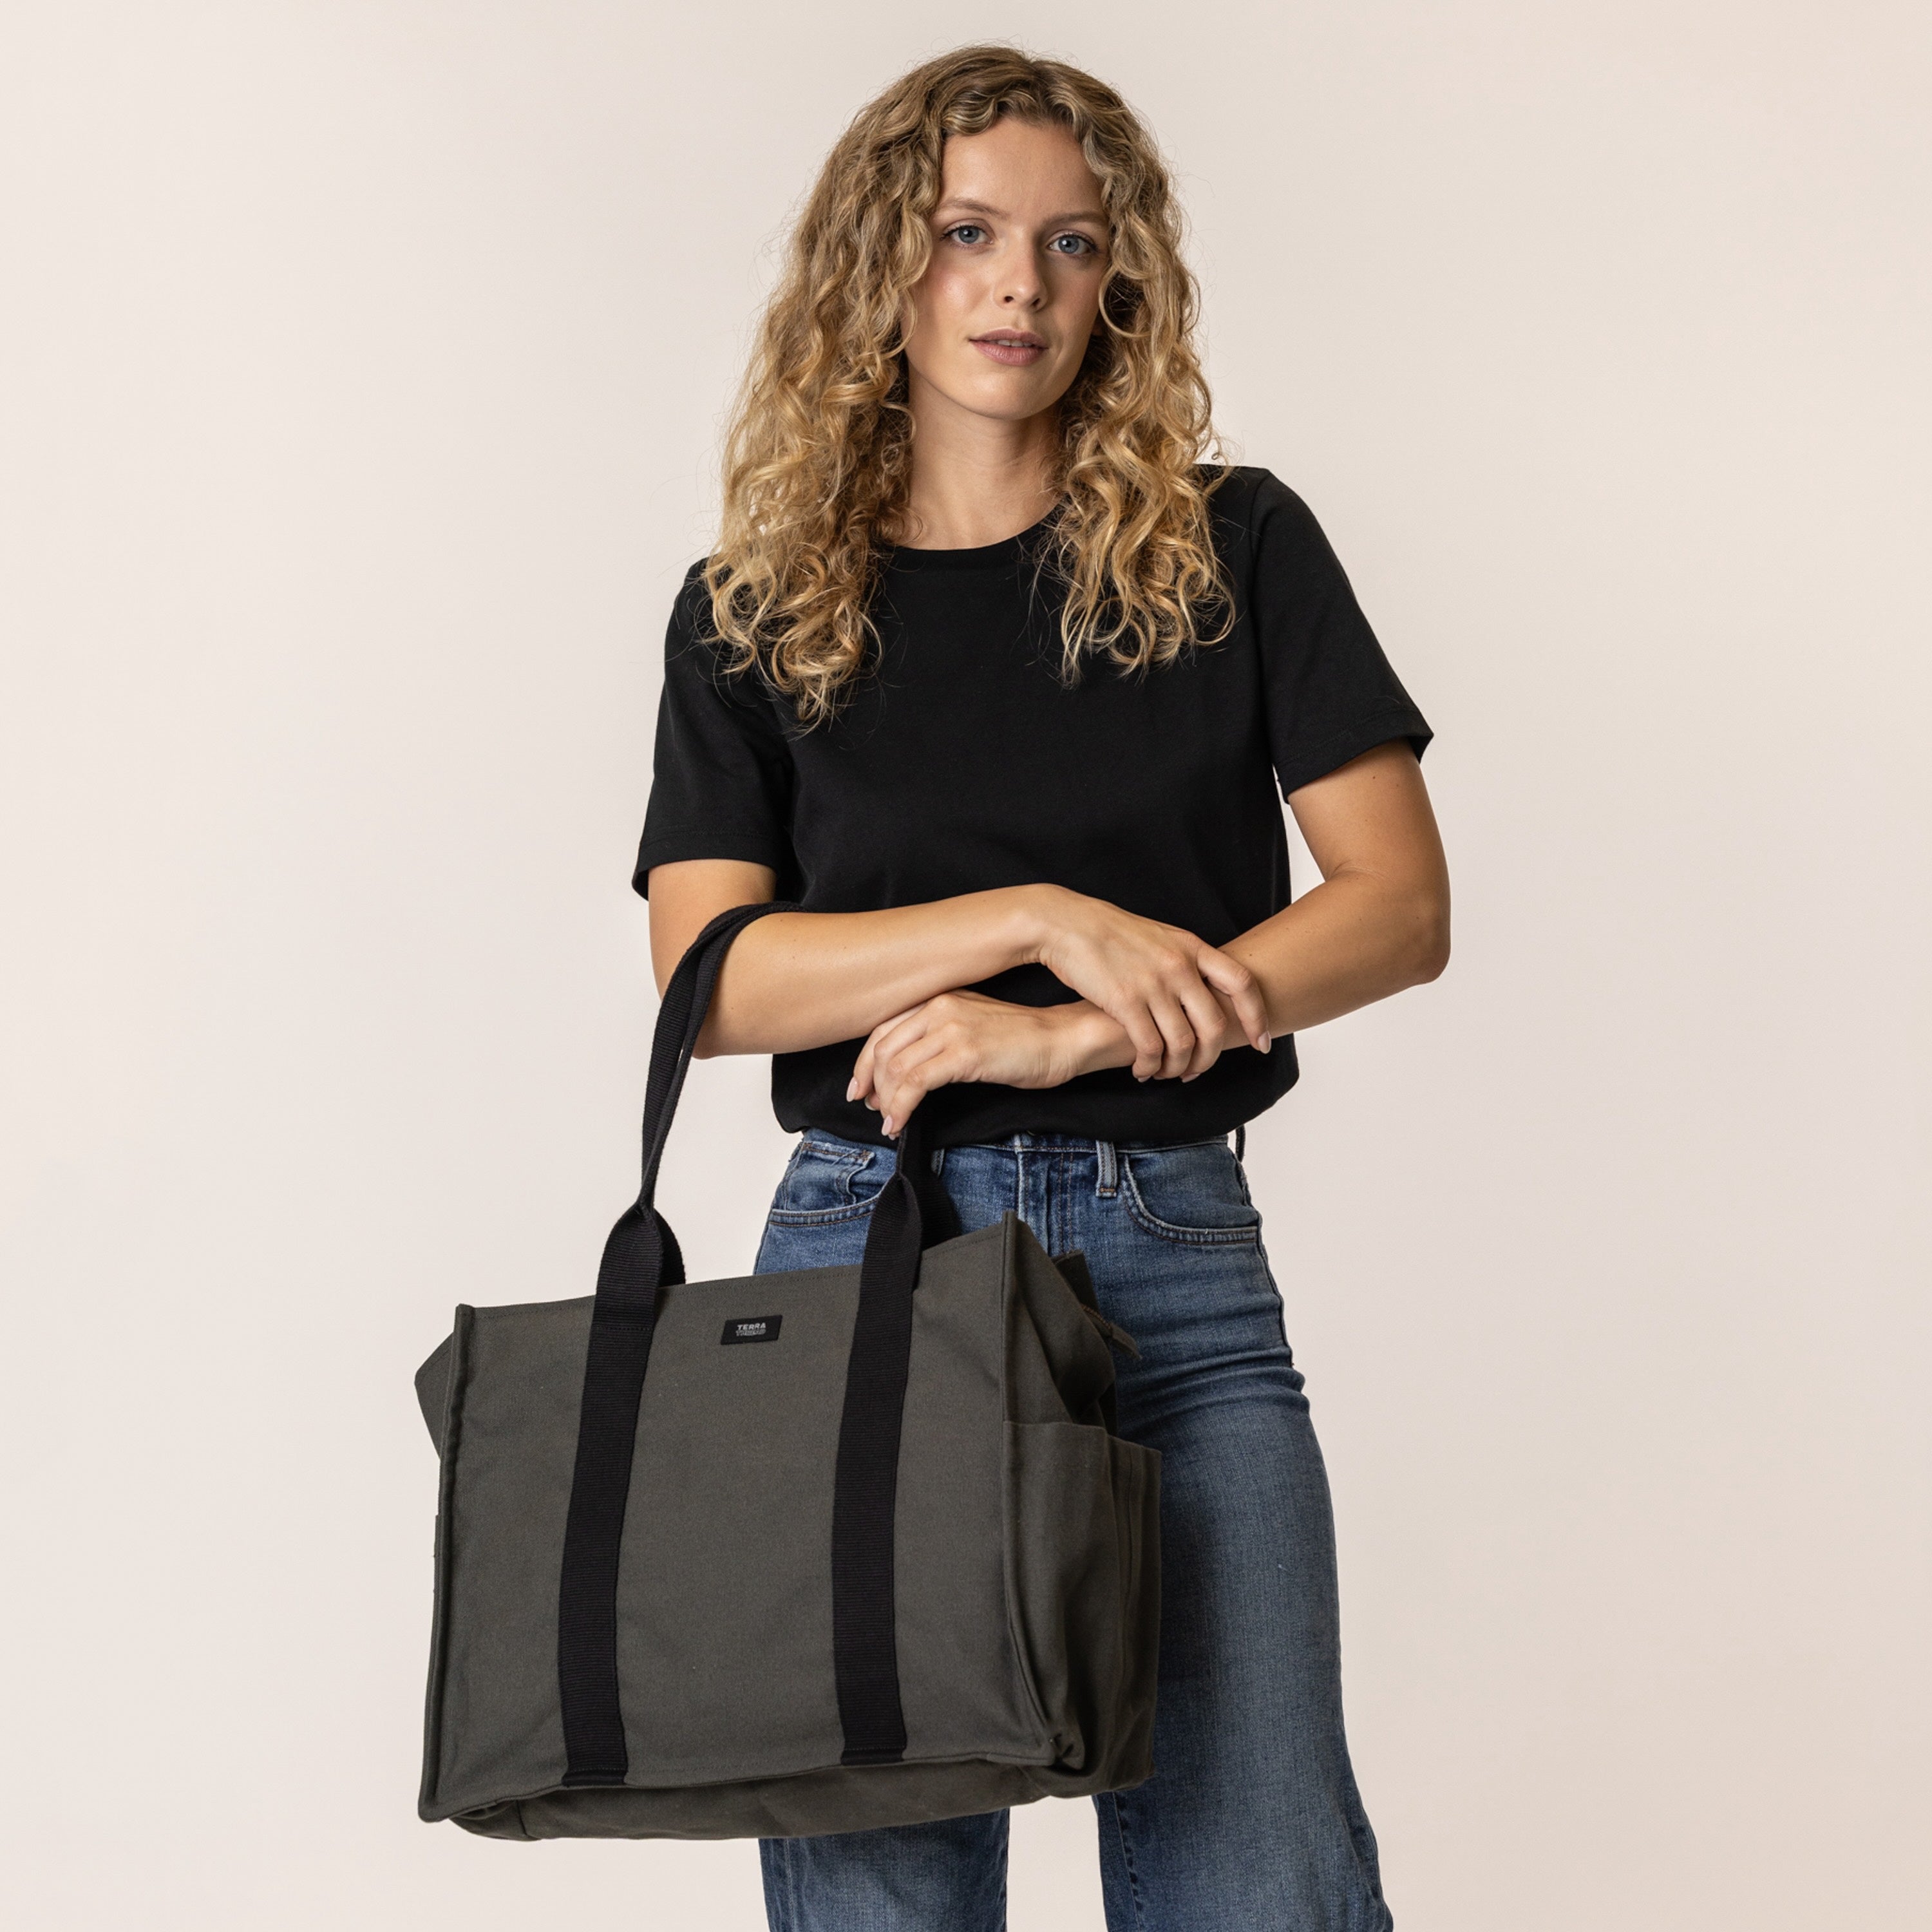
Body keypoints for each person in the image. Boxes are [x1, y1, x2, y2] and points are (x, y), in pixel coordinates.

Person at [636, 43, 1447, 1932]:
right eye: (968, 234)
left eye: (1073, 245)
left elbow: (1397, 906)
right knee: (882, 1896)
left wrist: (1078, 1024)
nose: (1020, 286)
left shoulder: (1235, 549)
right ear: (880, 270)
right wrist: (1039, 914)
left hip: (1176, 1259)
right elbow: (714, 976)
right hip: (862, 1267)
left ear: (1123, 283)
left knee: (1267, 1885)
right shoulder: (754, 605)